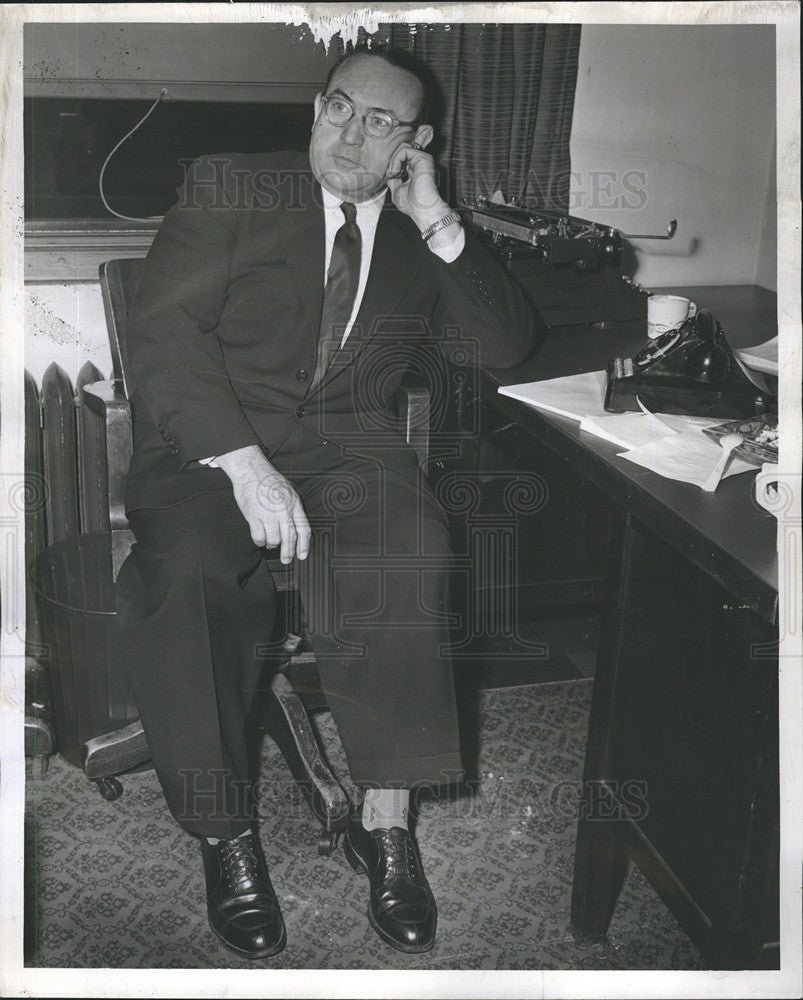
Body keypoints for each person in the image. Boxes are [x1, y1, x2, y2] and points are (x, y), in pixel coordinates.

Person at [116, 43, 537, 959]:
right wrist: (242, 462)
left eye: (380, 122)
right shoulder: (231, 186)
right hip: (211, 448)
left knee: (410, 553)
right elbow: (161, 331)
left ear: (413, 145)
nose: (350, 133)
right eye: (340, 108)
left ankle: (388, 825)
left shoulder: (421, 231)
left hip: (349, 446)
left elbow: (505, 346)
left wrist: (438, 220)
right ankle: (226, 834)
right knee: (186, 577)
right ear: (317, 106)